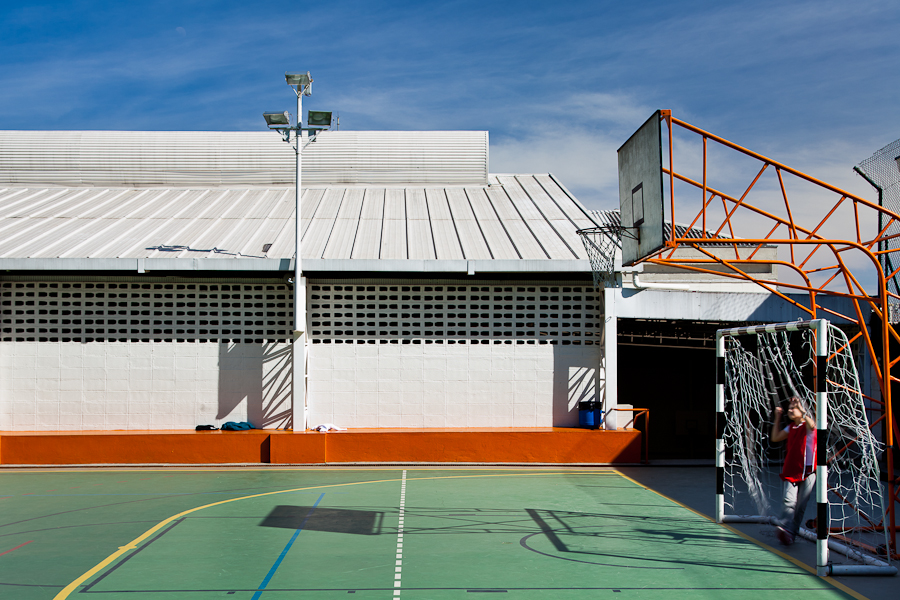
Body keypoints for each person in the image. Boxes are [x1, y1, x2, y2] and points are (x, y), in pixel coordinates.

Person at [770, 396, 817, 545]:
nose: (790, 410)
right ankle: (784, 528)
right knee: (789, 500)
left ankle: (791, 533)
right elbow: (775, 437)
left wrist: (802, 411)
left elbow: (813, 425)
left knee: (801, 506)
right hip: (792, 470)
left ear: (802, 410)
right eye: (789, 408)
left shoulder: (808, 425)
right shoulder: (791, 427)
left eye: (793, 407)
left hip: (808, 472)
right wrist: (778, 417)